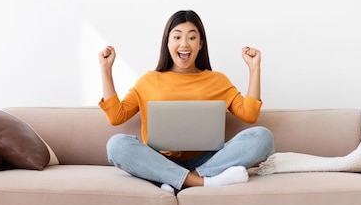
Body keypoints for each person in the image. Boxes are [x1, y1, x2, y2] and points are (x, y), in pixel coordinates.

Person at [98, 10, 274, 193]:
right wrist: (105, 70)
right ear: (167, 42)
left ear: (200, 44)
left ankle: (175, 180)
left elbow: (250, 114)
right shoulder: (149, 80)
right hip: (159, 160)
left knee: (263, 137)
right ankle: (204, 182)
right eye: (177, 37)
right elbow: (116, 116)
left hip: (208, 160)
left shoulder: (218, 80)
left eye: (191, 37)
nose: (184, 44)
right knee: (116, 145)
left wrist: (254, 69)